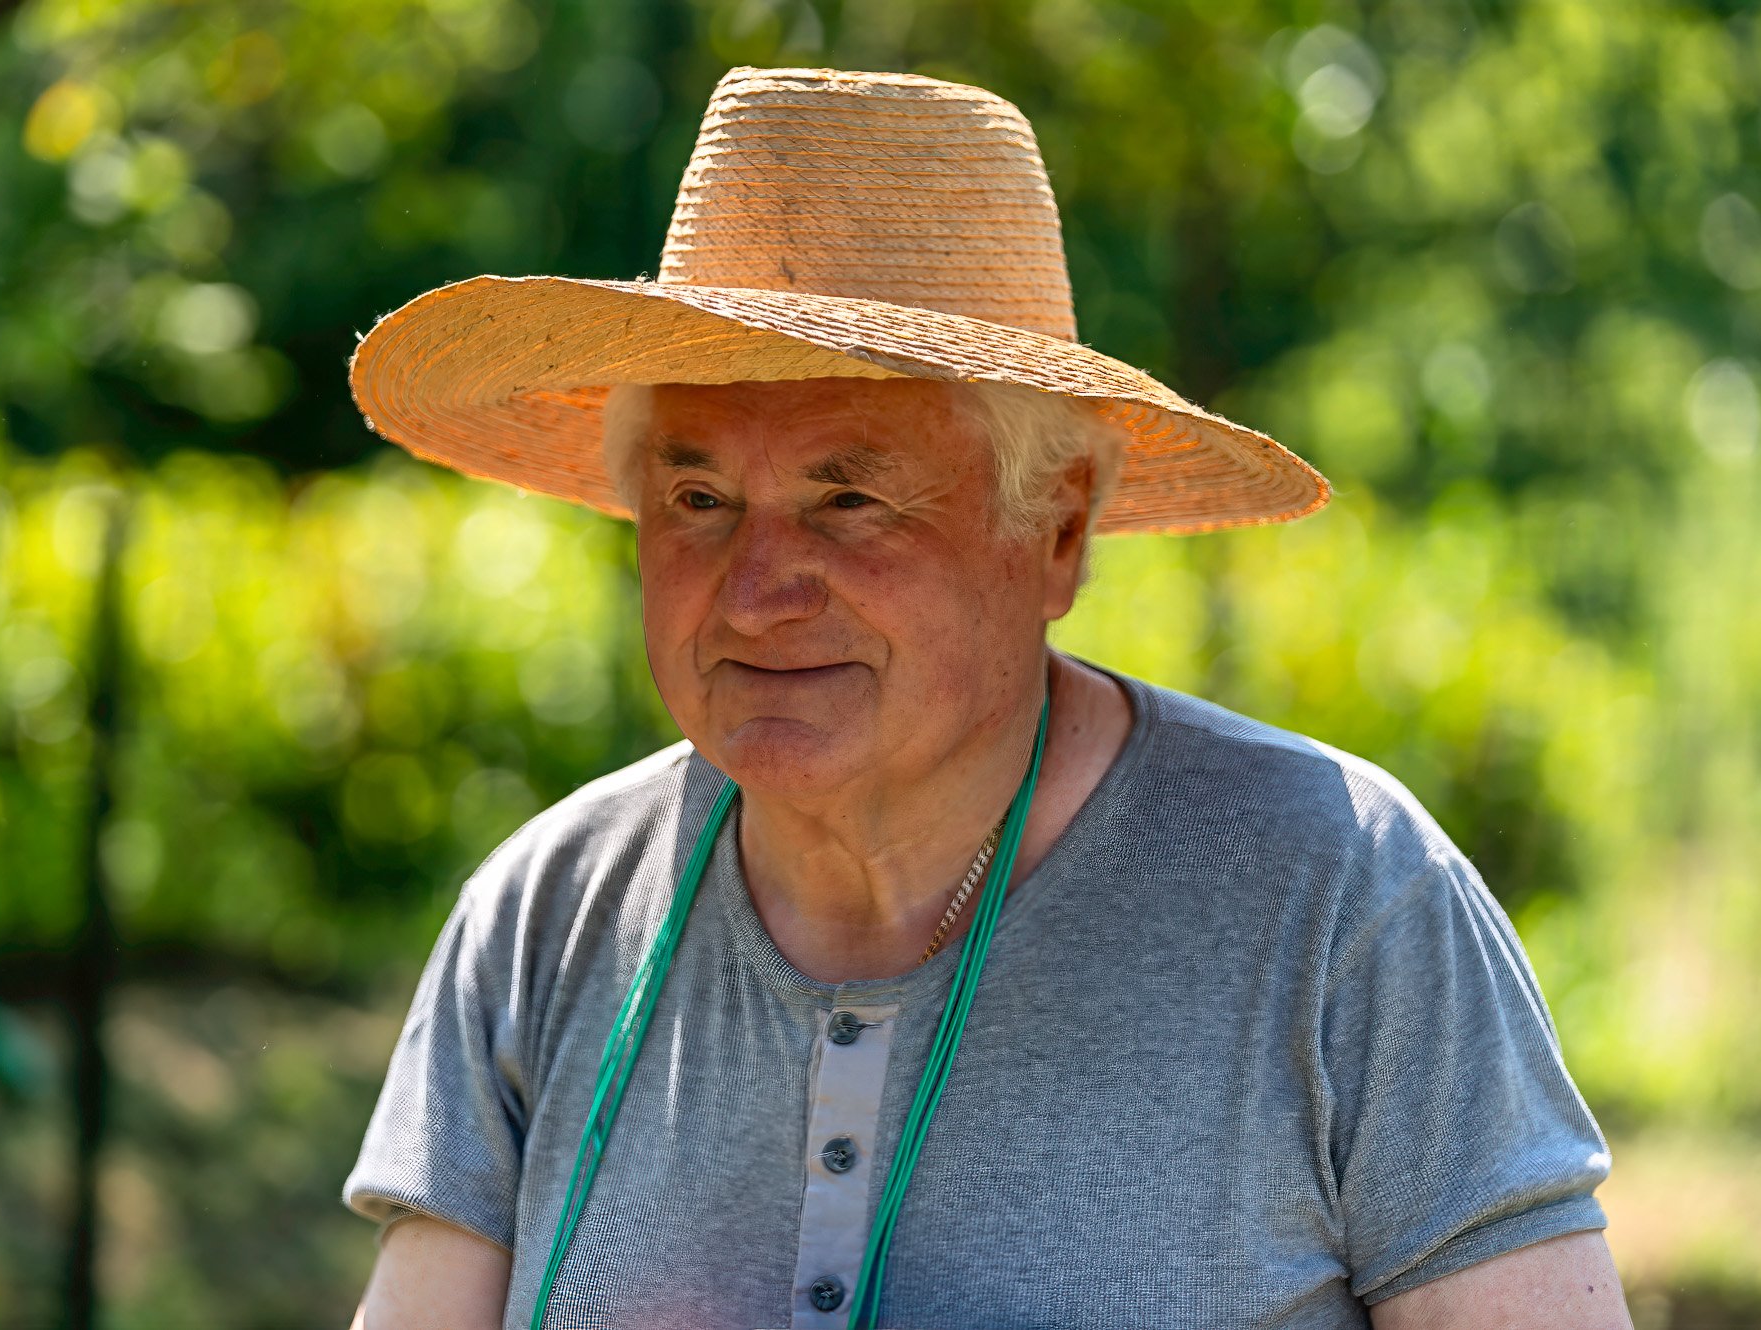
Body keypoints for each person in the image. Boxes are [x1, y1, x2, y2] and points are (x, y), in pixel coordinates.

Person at [340, 67, 1630, 1330]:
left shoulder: (1335, 895)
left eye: (850, 500)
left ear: (1057, 534)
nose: (756, 591)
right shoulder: (549, 917)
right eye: (698, 502)